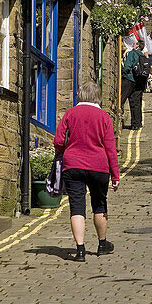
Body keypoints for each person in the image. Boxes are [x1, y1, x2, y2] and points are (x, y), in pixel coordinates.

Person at [53, 80, 120, 262]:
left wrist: (66, 150)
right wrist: (115, 175)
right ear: (97, 97)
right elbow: (110, 149)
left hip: (73, 165)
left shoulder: (70, 113)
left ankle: (80, 249)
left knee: (77, 206)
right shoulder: (104, 117)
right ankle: (102, 244)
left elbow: (58, 141)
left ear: (80, 95)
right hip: (99, 166)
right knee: (99, 204)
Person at [120, 40, 146, 129]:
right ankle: (137, 124)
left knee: (121, 99)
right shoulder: (142, 55)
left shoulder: (132, 53)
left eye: (134, 44)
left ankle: (118, 118)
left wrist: (123, 73)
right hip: (139, 80)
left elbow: (127, 66)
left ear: (137, 46)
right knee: (136, 102)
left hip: (129, 79)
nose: (133, 45)